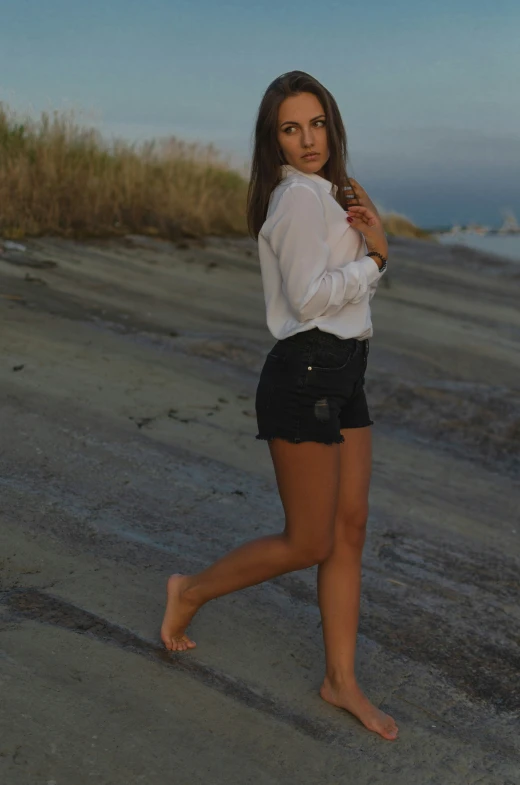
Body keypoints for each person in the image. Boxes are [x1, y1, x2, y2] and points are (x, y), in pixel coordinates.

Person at [161, 70, 398, 741]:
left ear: (332, 123)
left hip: (345, 370)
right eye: (291, 128)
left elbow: (351, 286)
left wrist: (374, 243)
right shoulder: (295, 199)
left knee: (350, 529)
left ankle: (340, 680)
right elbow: (310, 298)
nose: (307, 138)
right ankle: (191, 590)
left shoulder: (333, 192)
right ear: (274, 139)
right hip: (305, 373)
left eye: (316, 123)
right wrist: (378, 259)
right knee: (310, 539)